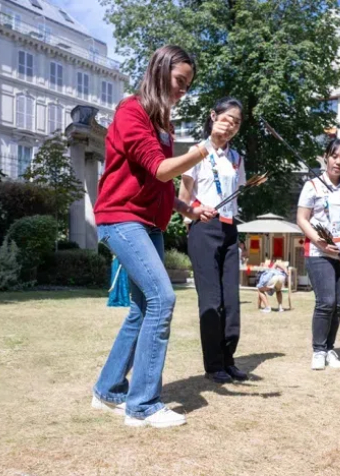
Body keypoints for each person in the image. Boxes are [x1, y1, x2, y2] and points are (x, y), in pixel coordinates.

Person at [91, 45, 232, 429]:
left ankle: (108, 390)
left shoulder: (162, 124)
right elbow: (160, 169)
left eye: (187, 86)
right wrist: (206, 146)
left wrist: (188, 209)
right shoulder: (130, 111)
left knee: (141, 309)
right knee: (162, 297)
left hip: (148, 223)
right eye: (179, 82)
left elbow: (161, 187)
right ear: (159, 71)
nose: (182, 91)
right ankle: (143, 405)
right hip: (121, 219)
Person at [179, 97, 248, 384]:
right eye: (228, 118)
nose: (232, 125)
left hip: (230, 230)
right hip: (202, 228)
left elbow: (237, 195)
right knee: (212, 300)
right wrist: (191, 218)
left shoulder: (237, 158)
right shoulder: (196, 152)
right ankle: (214, 365)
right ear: (213, 116)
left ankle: (228, 359)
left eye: (237, 122)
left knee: (231, 301)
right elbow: (184, 198)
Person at [297, 139, 340, 370]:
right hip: (319, 252)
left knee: (338, 305)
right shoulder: (312, 186)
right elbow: (302, 220)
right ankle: (318, 350)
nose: (338, 161)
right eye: (335, 156)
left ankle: (329, 349)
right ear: (326, 156)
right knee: (326, 302)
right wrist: (321, 242)